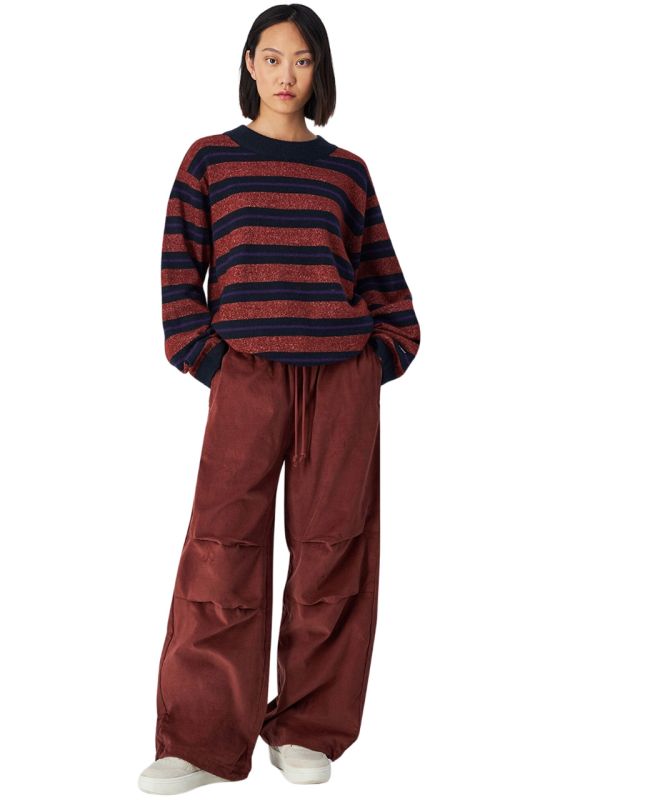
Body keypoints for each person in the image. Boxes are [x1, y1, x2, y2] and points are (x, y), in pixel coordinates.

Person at [139, 4, 421, 794]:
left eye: (301, 60)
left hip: (341, 381)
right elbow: (178, 269)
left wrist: (376, 360)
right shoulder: (210, 160)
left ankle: (307, 727)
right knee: (222, 549)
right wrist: (210, 361)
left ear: (318, 70)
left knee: (334, 550)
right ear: (249, 64)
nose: (286, 75)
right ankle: (200, 741)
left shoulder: (346, 172)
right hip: (249, 376)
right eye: (272, 58)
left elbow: (385, 282)